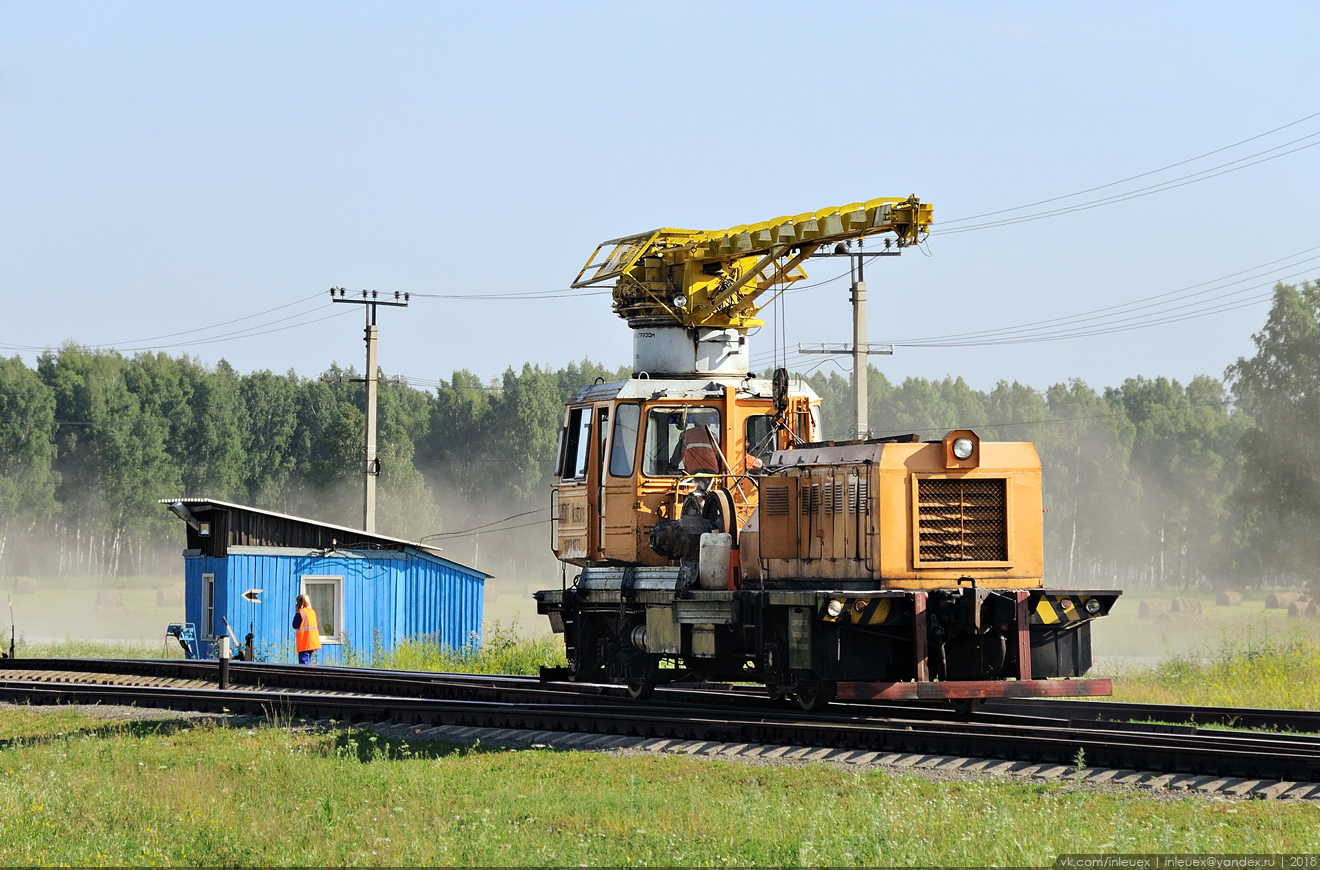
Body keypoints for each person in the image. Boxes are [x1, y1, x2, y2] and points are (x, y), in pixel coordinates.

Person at [293, 593, 321, 665]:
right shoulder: (312, 612)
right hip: (312, 642)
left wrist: (297, 613)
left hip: (304, 642)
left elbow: (295, 625)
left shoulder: (301, 612)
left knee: (304, 665)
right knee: (308, 663)